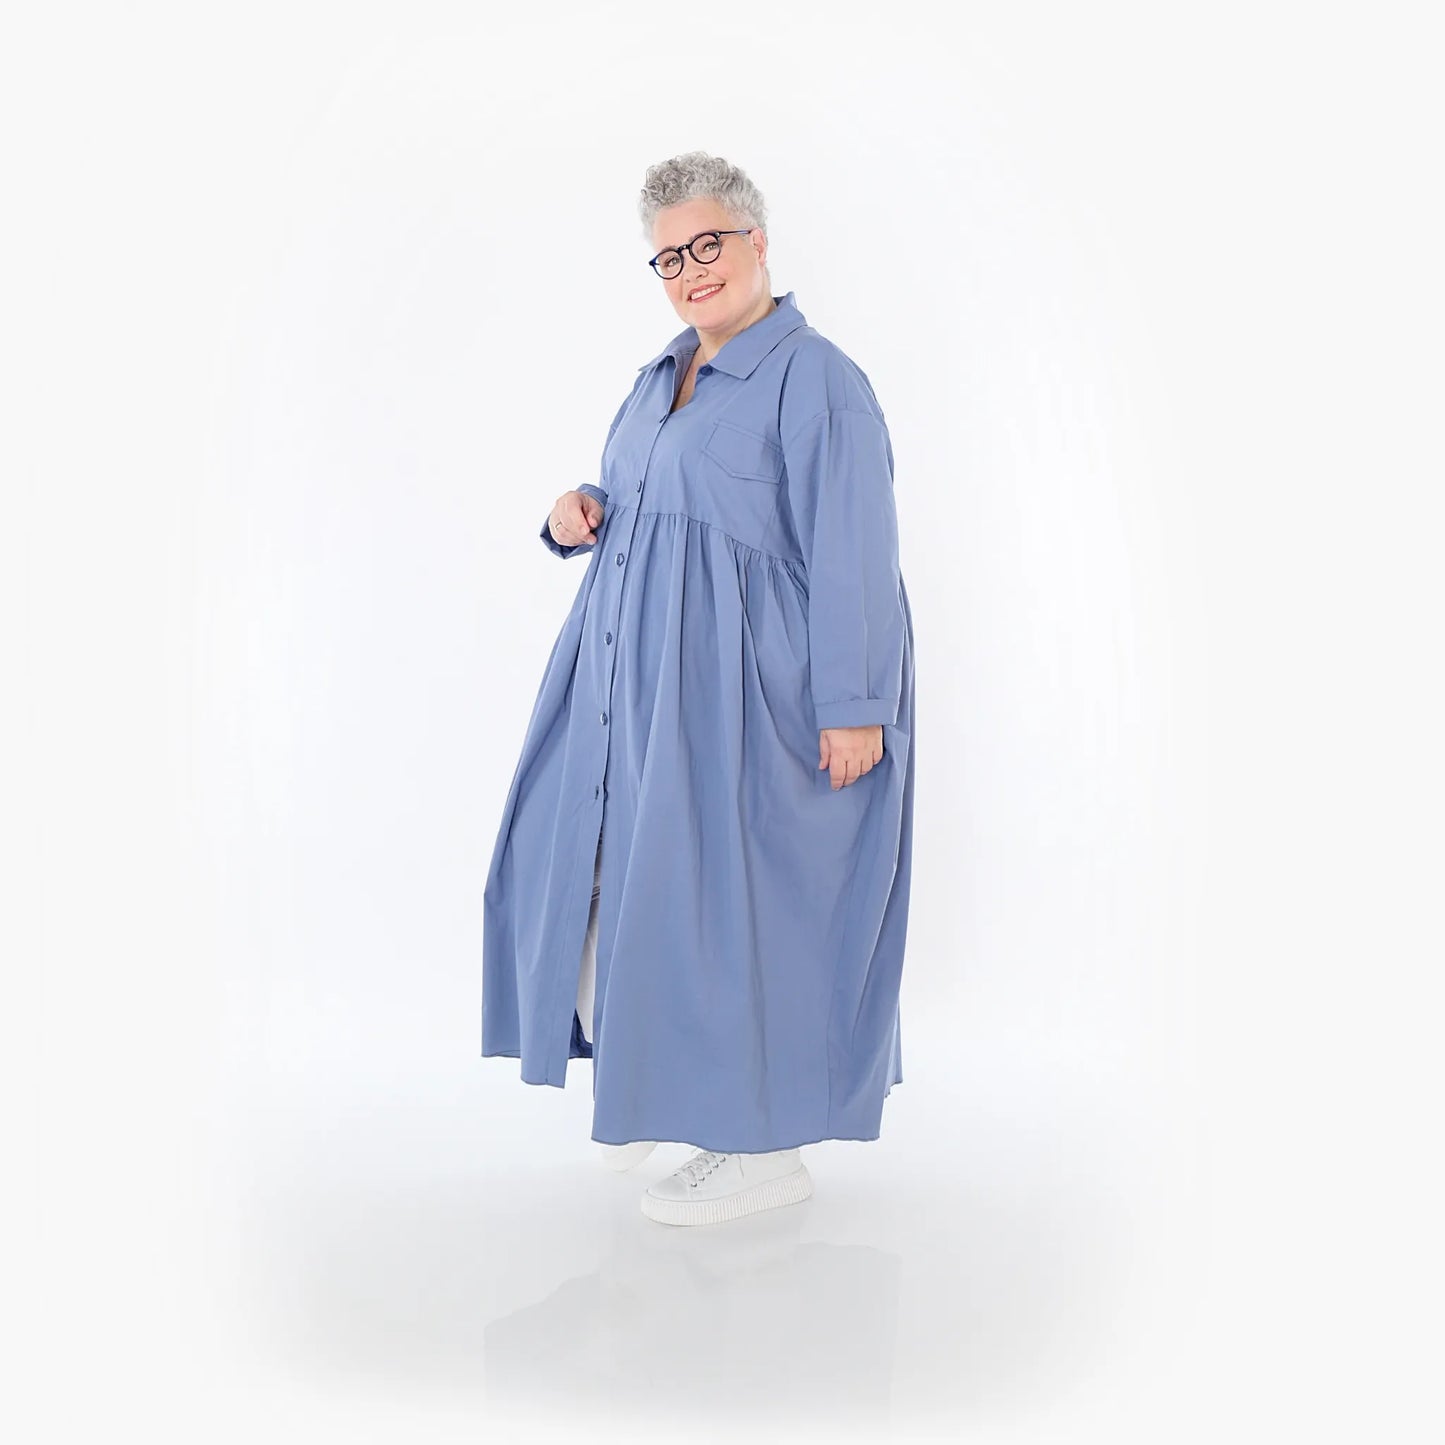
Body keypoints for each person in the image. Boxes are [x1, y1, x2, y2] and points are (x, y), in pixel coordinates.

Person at [482, 150, 916, 1227]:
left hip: (746, 697)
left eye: (707, 244)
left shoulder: (816, 379)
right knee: (624, 887)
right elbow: (642, 495)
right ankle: (652, 1080)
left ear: (756, 242)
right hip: (635, 691)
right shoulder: (659, 377)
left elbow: (854, 545)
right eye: (668, 257)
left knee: (746, 909)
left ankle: (760, 1145)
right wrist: (574, 512)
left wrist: (852, 704)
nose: (690, 270)